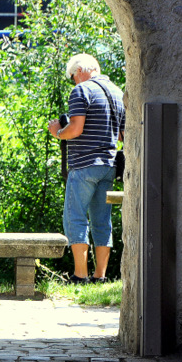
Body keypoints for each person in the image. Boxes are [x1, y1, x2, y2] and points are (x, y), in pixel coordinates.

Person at [47, 53, 125, 284]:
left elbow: (76, 129)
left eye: (72, 76)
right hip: (109, 165)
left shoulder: (82, 91)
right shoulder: (117, 93)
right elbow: (122, 135)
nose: (73, 81)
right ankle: (100, 276)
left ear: (80, 70)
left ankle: (80, 276)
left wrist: (58, 132)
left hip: (83, 165)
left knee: (75, 217)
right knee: (102, 220)